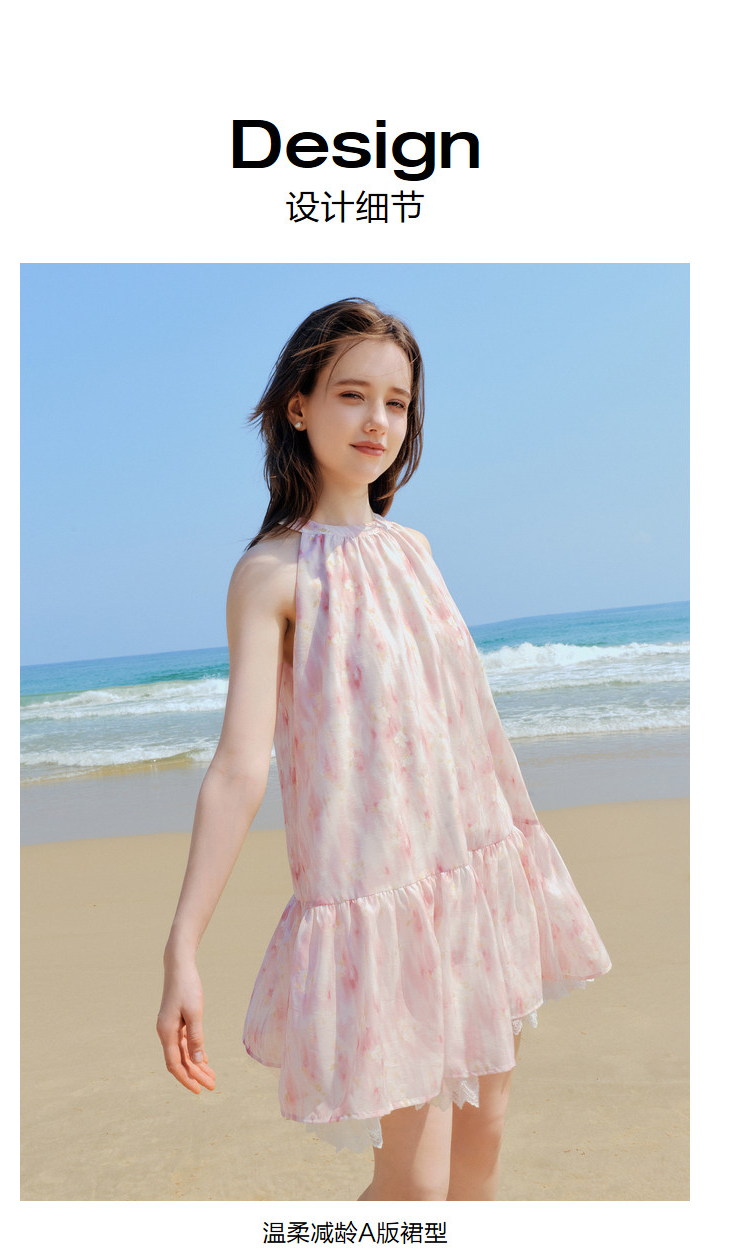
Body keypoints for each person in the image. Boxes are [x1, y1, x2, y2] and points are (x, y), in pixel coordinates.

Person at [156, 297, 612, 1201]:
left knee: (482, 1150)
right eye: (352, 394)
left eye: (396, 403)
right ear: (298, 406)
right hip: (379, 911)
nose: (377, 421)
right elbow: (241, 766)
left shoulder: (415, 548)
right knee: (415, 1186)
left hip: (473, 880)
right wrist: (183, 947)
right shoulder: (272, 573)